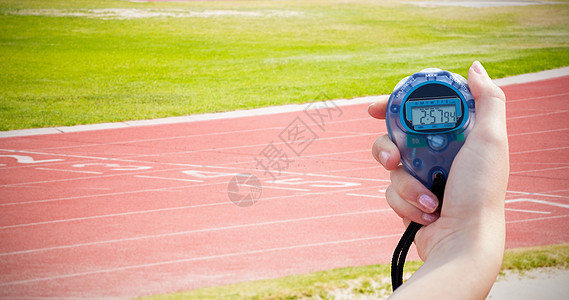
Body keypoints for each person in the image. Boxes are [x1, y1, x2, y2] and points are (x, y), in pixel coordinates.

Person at [368, 61, 509, 299]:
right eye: (425, 115)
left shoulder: (405, 105)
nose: (435, 141)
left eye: (441, 114)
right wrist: (463, 241)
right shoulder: (454, 103)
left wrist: (463, 236)